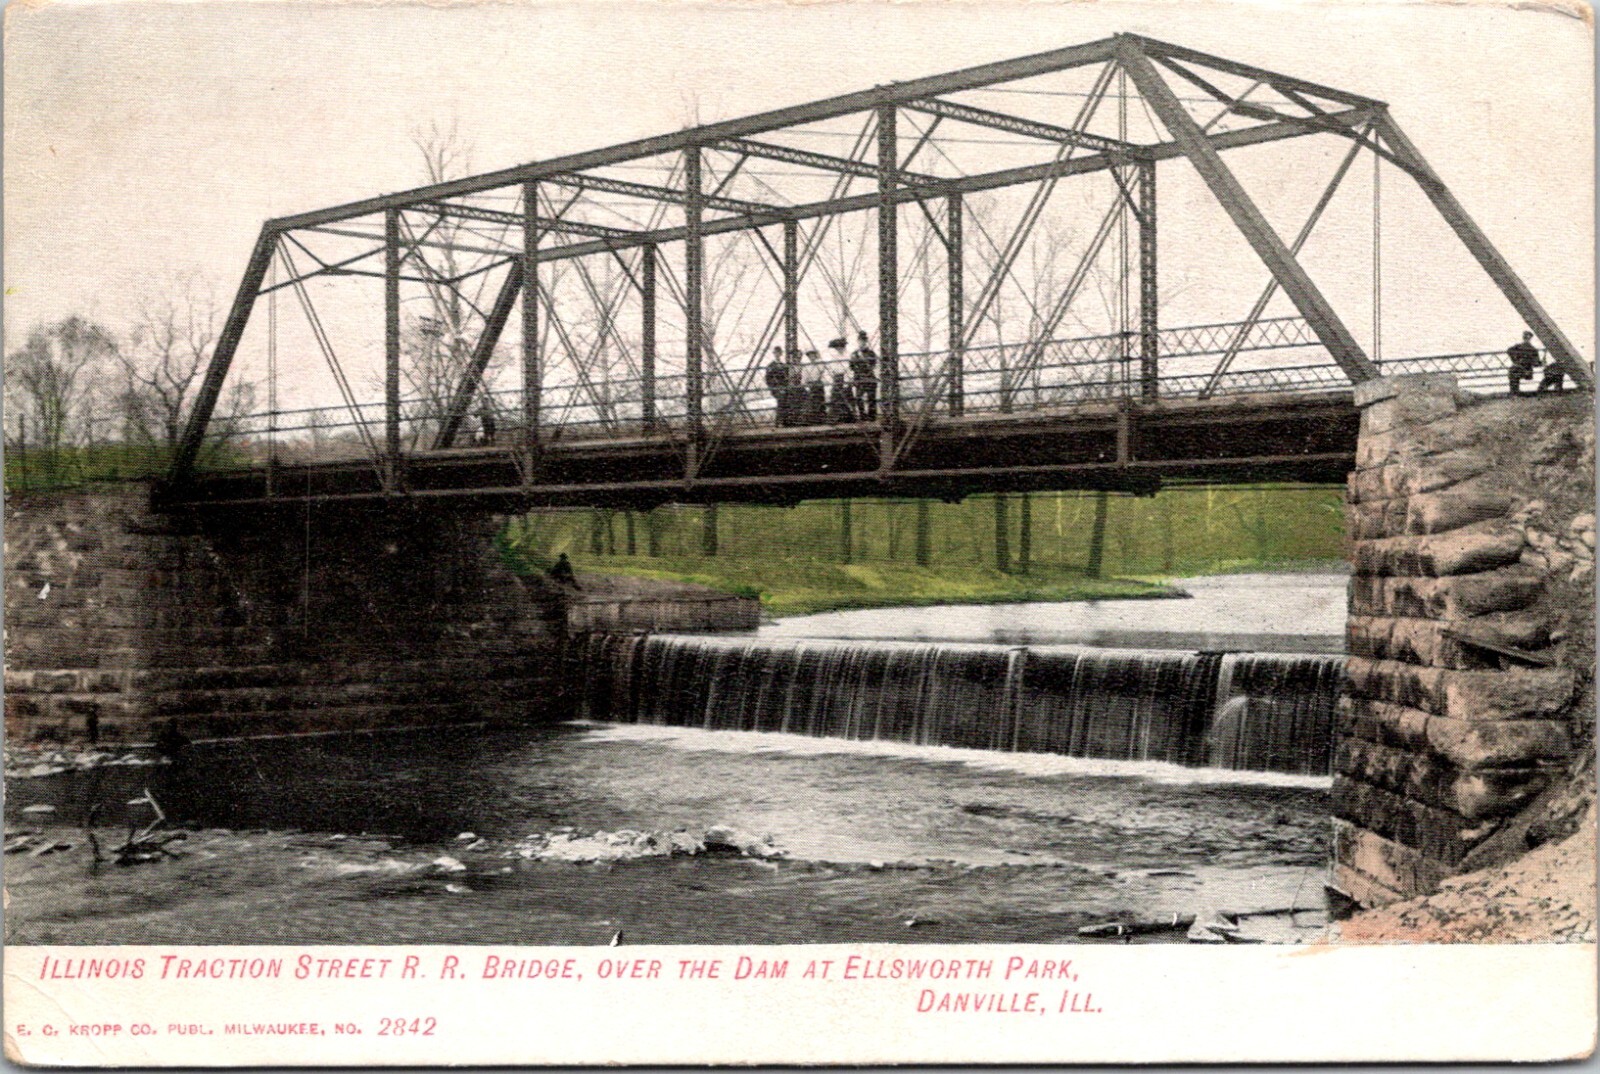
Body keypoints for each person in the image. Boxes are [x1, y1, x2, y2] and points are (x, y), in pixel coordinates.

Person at [850, 330, 879, 421]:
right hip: (859, 378)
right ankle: (862, 415)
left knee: (871, 397)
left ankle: (872, 416)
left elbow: (874, 364)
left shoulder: (871, 353)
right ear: (858, 341)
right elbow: (851, 366)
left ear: (866, 342)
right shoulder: (854, 354)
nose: (861, 343)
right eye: (860, 341)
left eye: (863, 341)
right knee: (859, 397)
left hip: (869, 377)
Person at [1507, 331, 1541, 396]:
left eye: (1527, 338)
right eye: (1526, 338)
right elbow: (1536, 363)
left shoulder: (1532, 349)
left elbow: (1536, 363)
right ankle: (1515, 392)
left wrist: (1515, 361)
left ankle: (1514, 392)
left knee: (1513, 372)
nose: (1526, 340)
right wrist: (1515, 360)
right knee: (1513, 372)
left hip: (1526, 370)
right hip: (1522, 369)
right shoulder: (1531, 349)